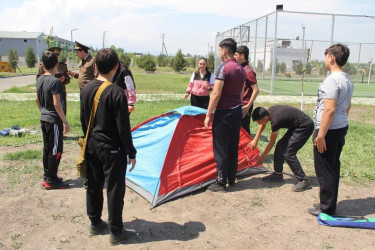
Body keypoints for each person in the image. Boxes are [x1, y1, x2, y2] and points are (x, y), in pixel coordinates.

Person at [80, 48, 137, 245]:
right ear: (116, 67)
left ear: (95, 66)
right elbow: (123, 128)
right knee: (114, 189)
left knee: (93, 185)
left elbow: (83, 120)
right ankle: (116, 231)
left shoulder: (86, 89)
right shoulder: (116, 93)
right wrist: (131, 151)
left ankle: (95, 223)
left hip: (92, 145)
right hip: (112, 148)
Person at [308, 44, 354, 216]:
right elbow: (347, 106)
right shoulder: (347, 79)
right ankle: (327, 201)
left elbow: (329, 109)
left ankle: (326, 208)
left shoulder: (332, 80)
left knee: (325, 168)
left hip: (328, 131)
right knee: (333, 166)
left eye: (326, 56)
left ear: (332, 58)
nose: (324, 60)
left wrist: (321, 135)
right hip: (340, 127)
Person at [204, 38, 246, 192]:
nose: (219, 52)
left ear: (224, 51)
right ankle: (231, 178)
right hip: (236, 112)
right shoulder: (241, 69)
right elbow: (241, 93)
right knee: (232, 146)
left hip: (224, 113)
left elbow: (216, 93)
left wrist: (208, 114)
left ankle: (220, 182)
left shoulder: (223, 68)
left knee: (220, 147)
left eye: (220, 49)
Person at [249, 105, 314, 192]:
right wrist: (255, 139)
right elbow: (263, 124)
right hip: (295, 126)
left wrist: (262, 157)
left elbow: (272, 142)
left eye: (259, 121)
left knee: (288, 153)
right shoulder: (269, 111)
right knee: (280, 146)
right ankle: (278, 174)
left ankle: (304, 181)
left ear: (265, 117)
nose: (259, 124)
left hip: (305, 127)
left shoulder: (276, 120)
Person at [36, 51, 70, 190]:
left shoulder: (40, 80)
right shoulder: (55, 81)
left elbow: (37, 100)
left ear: (42, 65)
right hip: (54, 120)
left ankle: (47, 176)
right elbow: (57, 104)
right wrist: (64, 121)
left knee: (47, 148)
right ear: (57, 64)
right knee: (56, 150)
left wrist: (44, 112)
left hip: (44, 118)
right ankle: (52, 180)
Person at [37, 47, 70, 114]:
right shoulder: (43, 66)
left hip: (60, 91)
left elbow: (68, 79)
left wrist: (64, 80)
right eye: (54, 56)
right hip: (48, 92)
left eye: (57, 55)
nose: (56, 57)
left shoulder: (63, 66)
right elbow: (38, 78)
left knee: (62, 110)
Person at [234, 45, 259, 135]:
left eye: (236, 55)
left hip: (244, 106)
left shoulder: (248, 71)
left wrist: (248, 106)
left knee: (243, 131)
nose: (234, 57)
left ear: (242, 56)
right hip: (238, 104)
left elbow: (256, 90)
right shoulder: (240, 68)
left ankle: (247, 148)